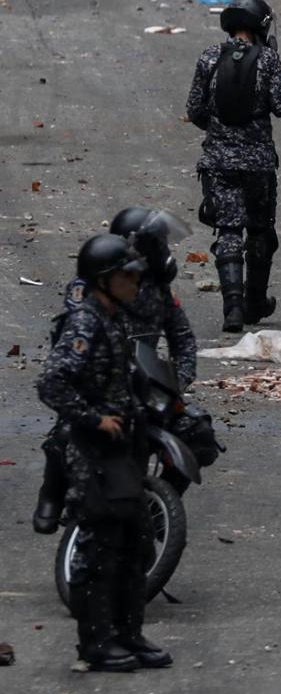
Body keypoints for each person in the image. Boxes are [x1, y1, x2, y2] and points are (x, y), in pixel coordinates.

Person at [36, 234, 171, 671]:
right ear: (103, 280)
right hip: (92, 454)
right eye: (126, 275)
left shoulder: (114, 317)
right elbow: (52, 383)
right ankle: (95, 644)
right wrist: (95, 419)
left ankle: (129, 634)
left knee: (135, 543)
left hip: (119, 453)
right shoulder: (85, 323)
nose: (134, 282)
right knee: (98, 549)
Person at [33, 206, 202, 535]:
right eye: (158, 243)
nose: (164, 251)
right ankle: (52, 494)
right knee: (65, 435)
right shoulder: (91, 291)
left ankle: (157, 505)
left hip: (144, 384)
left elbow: (183, 340)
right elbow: (66, 356)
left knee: (198, 434)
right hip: (96, 385)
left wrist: (177, 385)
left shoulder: (158, 291)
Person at [186, 0, 281, 333]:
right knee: (260, 231)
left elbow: (195, 109)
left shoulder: (209, 56)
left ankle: (232, 307)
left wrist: (219, 131)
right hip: (259, 163)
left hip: (219, 161)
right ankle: (254, 303)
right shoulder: (268, 59)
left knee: (228, 231)